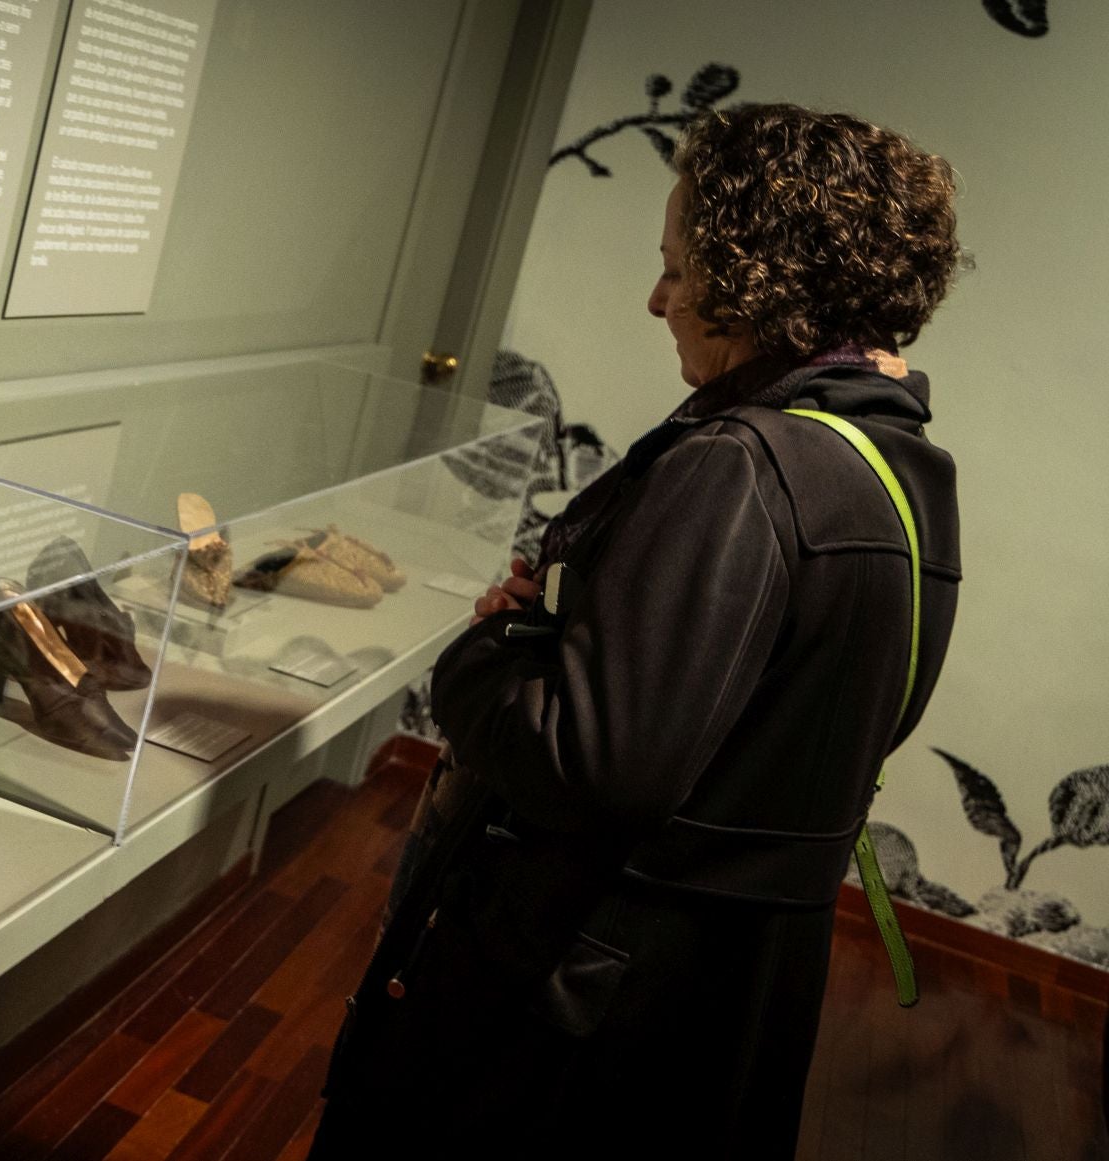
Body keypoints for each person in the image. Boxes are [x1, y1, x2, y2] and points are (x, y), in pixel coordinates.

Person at [311, 103, 963, 1159]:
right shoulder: (899, 469)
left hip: (579, 1003)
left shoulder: (740, 467)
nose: (656, 298)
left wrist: (483, 653)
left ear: (758, 275)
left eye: (678, 267)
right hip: (725, 999)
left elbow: (593, 762)